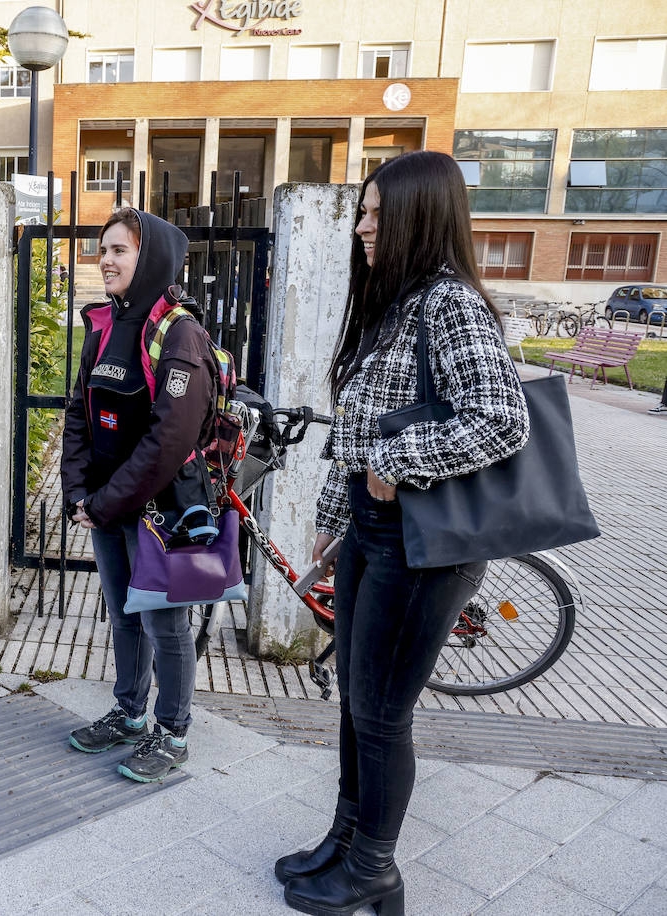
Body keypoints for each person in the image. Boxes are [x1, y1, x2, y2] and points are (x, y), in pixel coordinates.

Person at [276, 151, 530, 916]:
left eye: (378, 215)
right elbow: (354, 429)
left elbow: (500, 419)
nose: (362, 228)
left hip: (424, 547)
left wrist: (393, 463)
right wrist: (333, 518)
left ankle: (376, 871)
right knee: (357, 703)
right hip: (374, 533)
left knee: (383, 713)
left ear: (423, 216)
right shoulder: (398, 301)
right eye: (362, 212)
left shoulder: (450, 303)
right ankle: (345, 840)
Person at [60, 208, 219, 783]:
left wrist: (105, 502)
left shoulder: (179, 332)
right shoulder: (103, 324)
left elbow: (168, 440)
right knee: (124, 617)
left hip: (160, 509)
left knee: (165, 624)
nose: (105, 260)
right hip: (105, 506)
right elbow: (79, 412)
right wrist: (78, 490)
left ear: (148, 256)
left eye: (119, 250)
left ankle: (172, 732)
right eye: (102, 249)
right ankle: (128, 714)